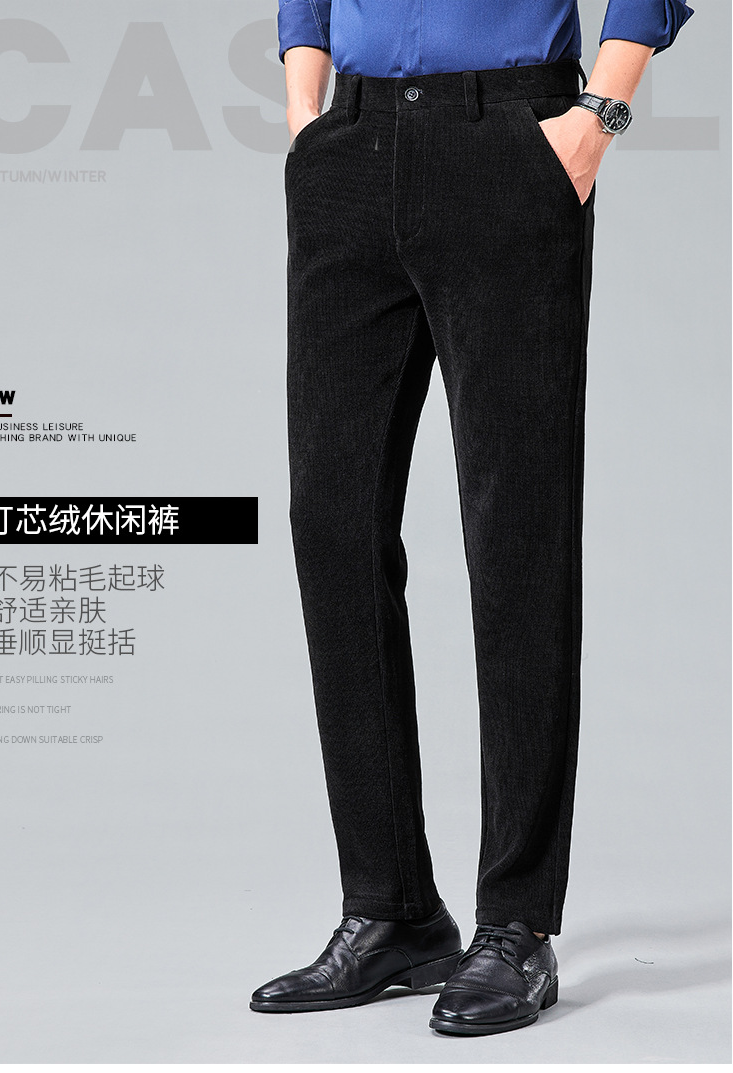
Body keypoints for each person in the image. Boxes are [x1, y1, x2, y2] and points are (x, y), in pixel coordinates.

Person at [250, 0, 693, 1037]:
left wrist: (597, 118)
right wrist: (306, 118)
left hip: (511, 143)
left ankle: (517, 925)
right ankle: (391, 907)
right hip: (351, 147)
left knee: (515, 534)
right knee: (331, 526)